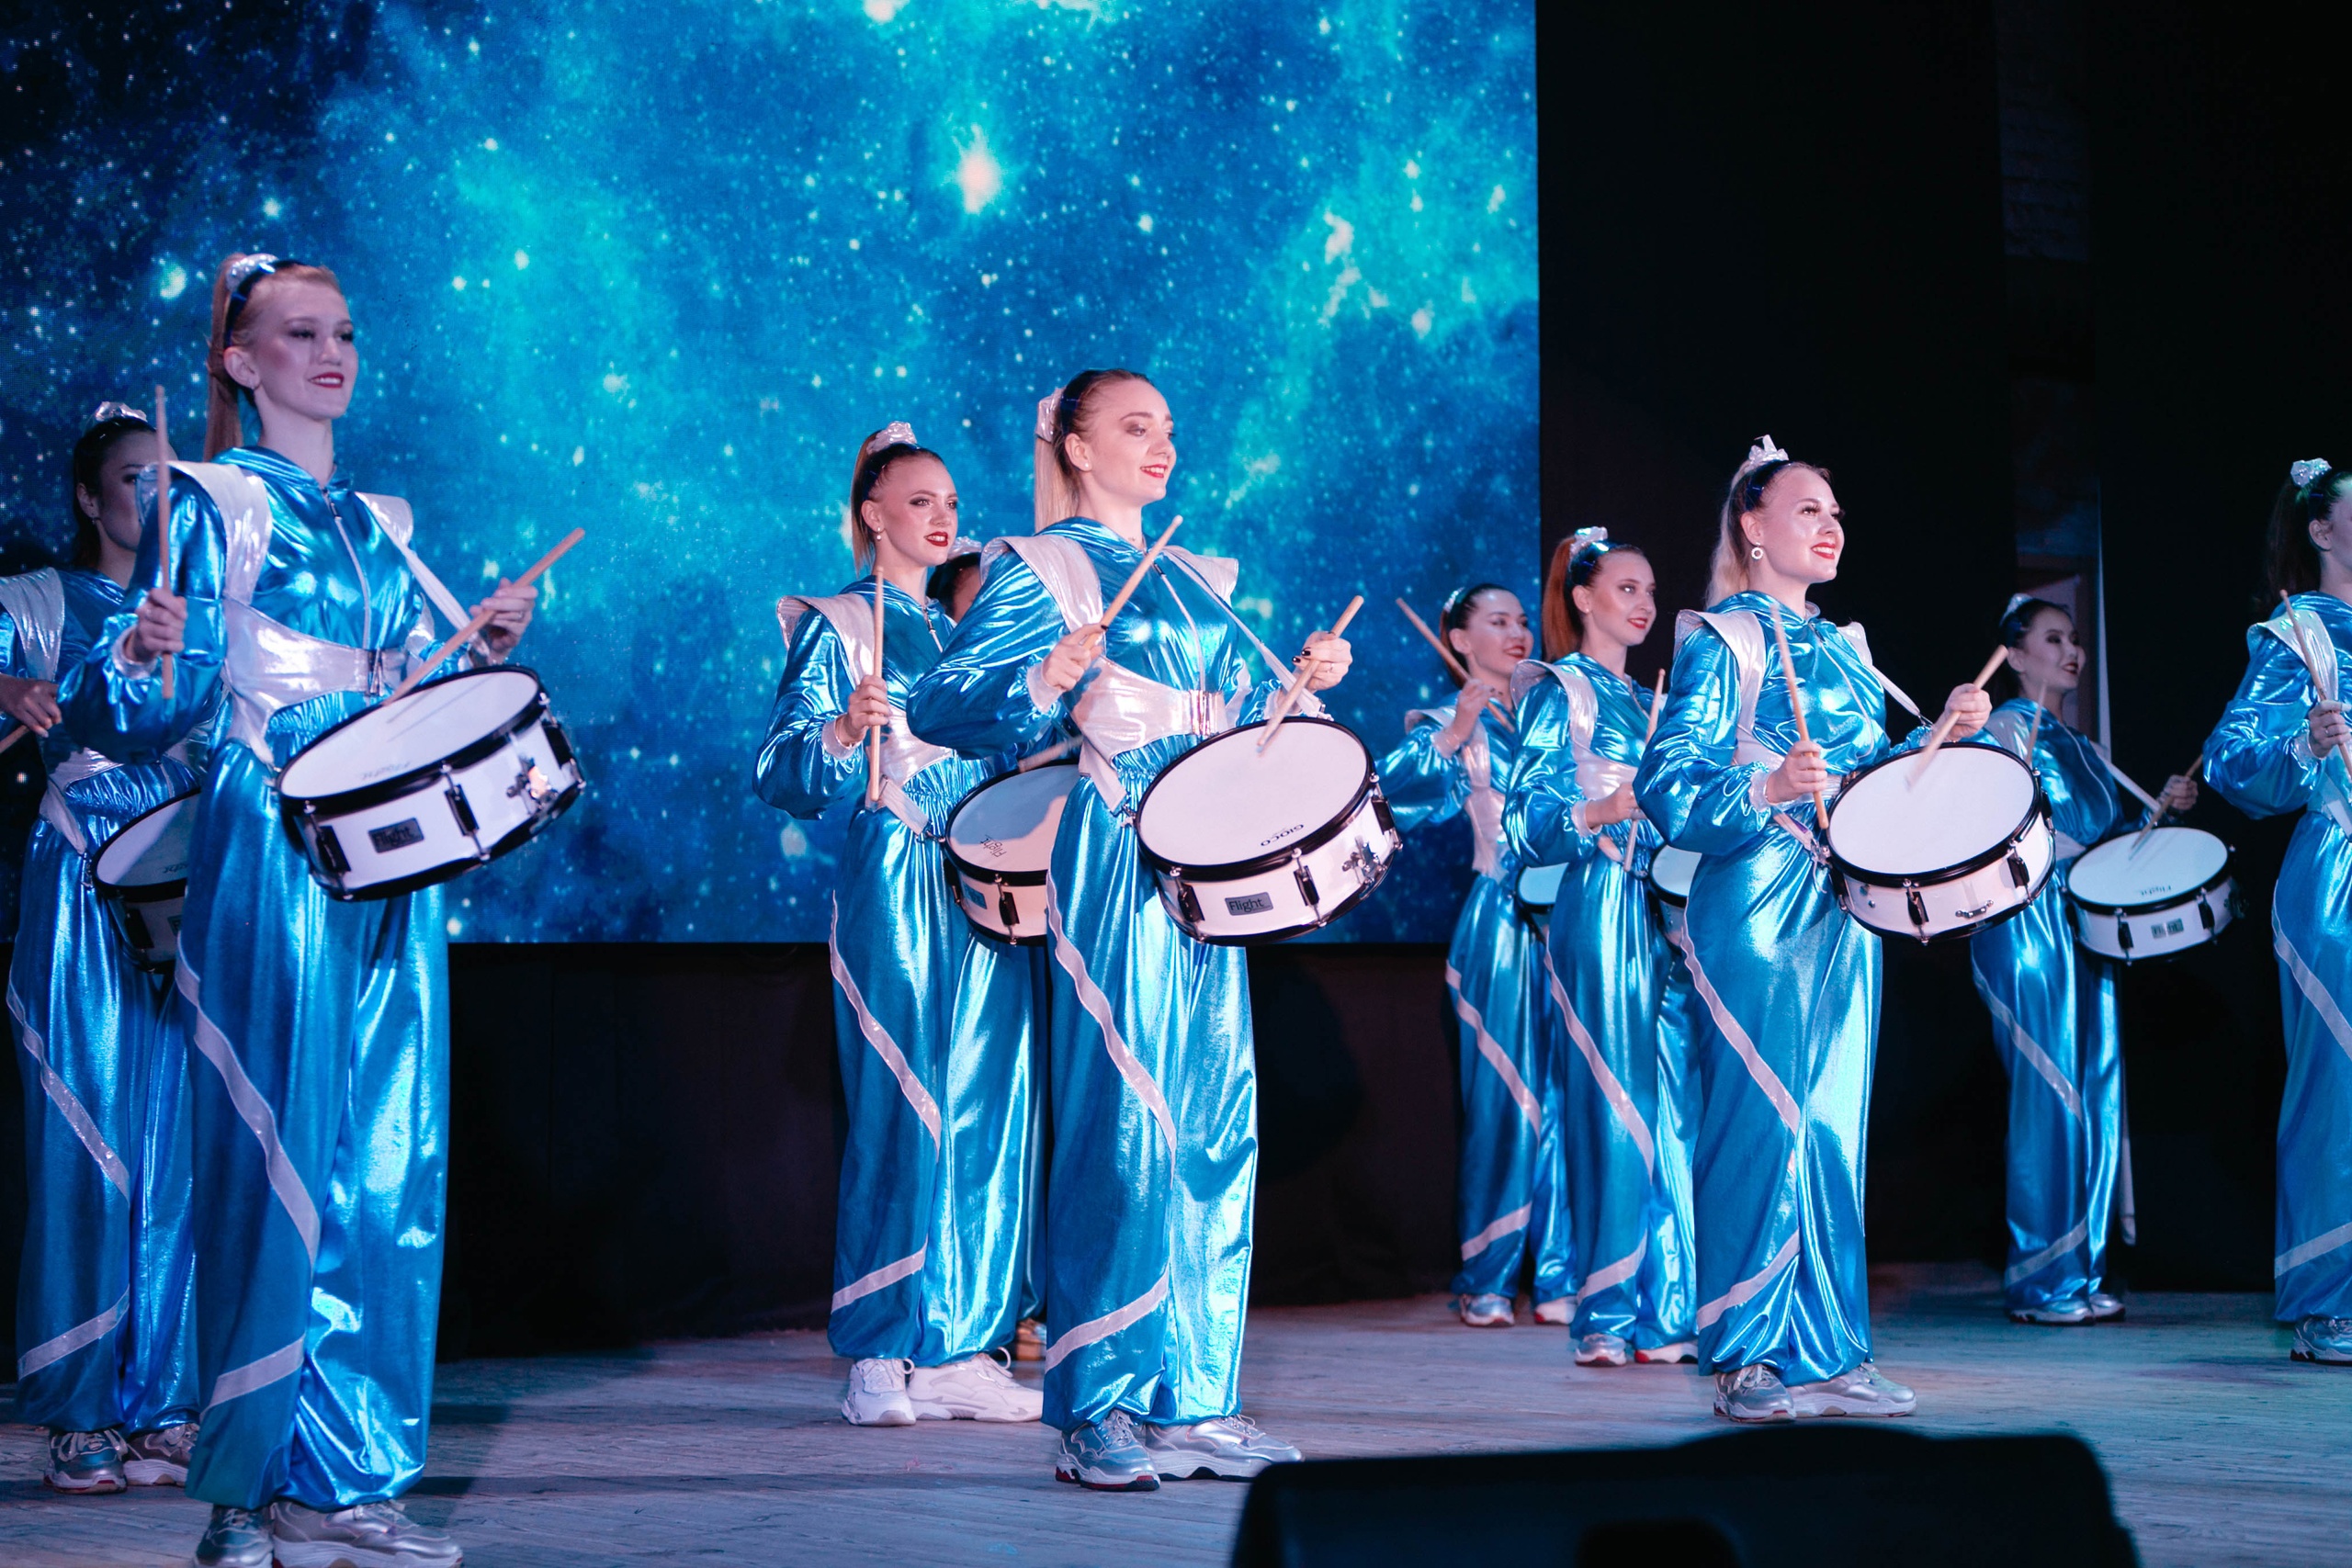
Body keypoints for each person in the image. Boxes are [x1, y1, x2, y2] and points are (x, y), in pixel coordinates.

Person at [61, 254, 537, 1568]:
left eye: (344, 332)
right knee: (269, 1149)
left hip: (385, 846)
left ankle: (345, 1481)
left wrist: (479, 650)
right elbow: (152, 706)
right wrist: (140, 649)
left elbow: (407, 691)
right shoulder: (211, 499)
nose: (331, 353)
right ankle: (242, 1489)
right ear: (240, 361)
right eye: (299, 333)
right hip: (273, 829)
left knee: (384, 1161)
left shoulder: (381, 522)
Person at [906, 368, 1348, 1490]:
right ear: (1074, 444)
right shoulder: (1038, 567)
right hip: (1116, 844)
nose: (1162, 446)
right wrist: (1038, 679)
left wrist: (1296, 687)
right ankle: (1097, 1403)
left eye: (1168, 428)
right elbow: (940, 705)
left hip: (1208, 852)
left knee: (1213, 1125)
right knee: (1124, 1116)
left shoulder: (1201, 577)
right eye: (1135, 427)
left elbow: (1239, 725)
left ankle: (1194, 1400)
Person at [1634, 437, 1989, 1421]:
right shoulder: (1725, 640)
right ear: (1752, 526)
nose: (1830, 527)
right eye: (1806, 511)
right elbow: (1667, 781)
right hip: (1754, 902)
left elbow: (1870, 783)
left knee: (1830, 1128)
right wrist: (1763, 787)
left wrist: (1938, 736)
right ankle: (1744, 1355)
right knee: (1758, 1121)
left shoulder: (1845, 649)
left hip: (1843, 908)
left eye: (1835, 514)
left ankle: (1828, 1349)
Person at [754, 423, 1042, 1427]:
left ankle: (959, 1347)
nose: (943, 517)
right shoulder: (840, 622)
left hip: (986, 875)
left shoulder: (969, 633)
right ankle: (879, 1350)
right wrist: (840, 728)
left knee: (988, 1104)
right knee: (902, 1097)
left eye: (951, 503)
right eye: (921, 501)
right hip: (899, 864)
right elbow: (781, 770)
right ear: (874, 514)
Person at [6, 404, 209, 1495]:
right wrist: (5, 684)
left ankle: (161, 1403)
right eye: (134, 478)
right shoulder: (38, 604)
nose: (156, 496)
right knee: (88, 1137)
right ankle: (77, 1412)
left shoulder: (205, 609)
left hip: (188, 876)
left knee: (179, 1143)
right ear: (90, 497)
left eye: (171, 478)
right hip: (86, 871)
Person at [1972, 595, 2195, 1326]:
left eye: (2074, 639)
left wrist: (2160, 811)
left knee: (2096, 1088)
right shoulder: (2003, 729)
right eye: (2054, 638)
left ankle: (2082, 1267)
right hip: (2028, 916)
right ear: (2016, 654)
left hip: (2086, 921)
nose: (2073, 651)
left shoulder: (2083, 746)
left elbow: (2113, 842)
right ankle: (2040, 1278)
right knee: (2049, 1087)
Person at [1507, 527, 1699, 1367]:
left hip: (1668, 912)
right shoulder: (1561, 690)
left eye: (1650, 589)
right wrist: (1597, 811)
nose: (1645, 603)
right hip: (1601, 899)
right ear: (1583, 598)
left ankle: (1670, 1308)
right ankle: (1607, 1311)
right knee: (1613, 1100)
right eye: (1626, 588)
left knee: (1675, 1104)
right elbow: (1524, 821)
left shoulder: (1662, 701)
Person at [1375, 582, 1566, 1328]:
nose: (1518, 632)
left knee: (1569, 1094)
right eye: (1497, 621)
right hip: (1500, 915)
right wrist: (1456, 730)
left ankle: (1560, 1273)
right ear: (1459, 639)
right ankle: (1488, 1272)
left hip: (1574, 915)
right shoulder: (1451, 721)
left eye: (1521, 620)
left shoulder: (1555, 712)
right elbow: (1391, 795)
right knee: (1505, 1097)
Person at [2203, 457, 2352, 1366]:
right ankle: (2329, 1302)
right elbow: (2231, 759)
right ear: (2322, 531)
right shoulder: (2300, 633)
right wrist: (2304, 740)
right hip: (2337, 879)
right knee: (2339, 1089)